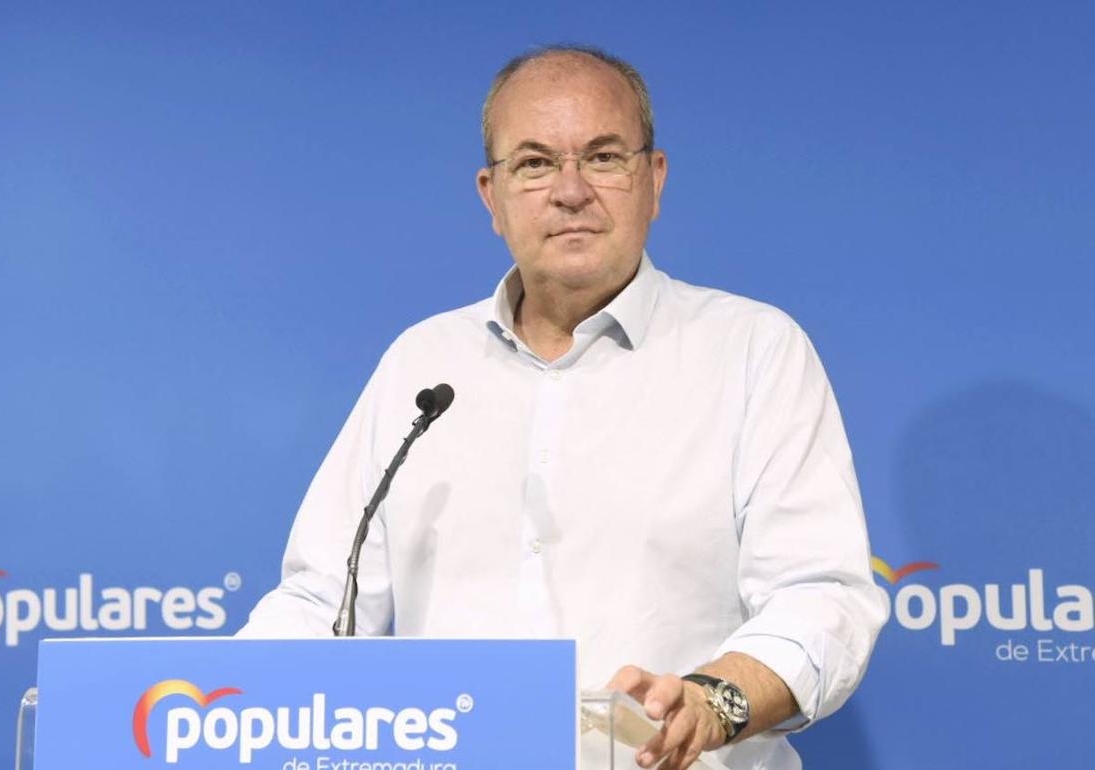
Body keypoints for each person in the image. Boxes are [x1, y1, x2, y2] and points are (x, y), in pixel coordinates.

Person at [238, 45, 888, 770]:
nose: (571, 191)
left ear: (655, 179)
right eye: (535, 163)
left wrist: (712, 701)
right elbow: (324, 599)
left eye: (604, 158)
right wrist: (225, 706)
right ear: (491, 195)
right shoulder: (422, 365)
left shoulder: (752, 351)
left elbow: (823, 597)